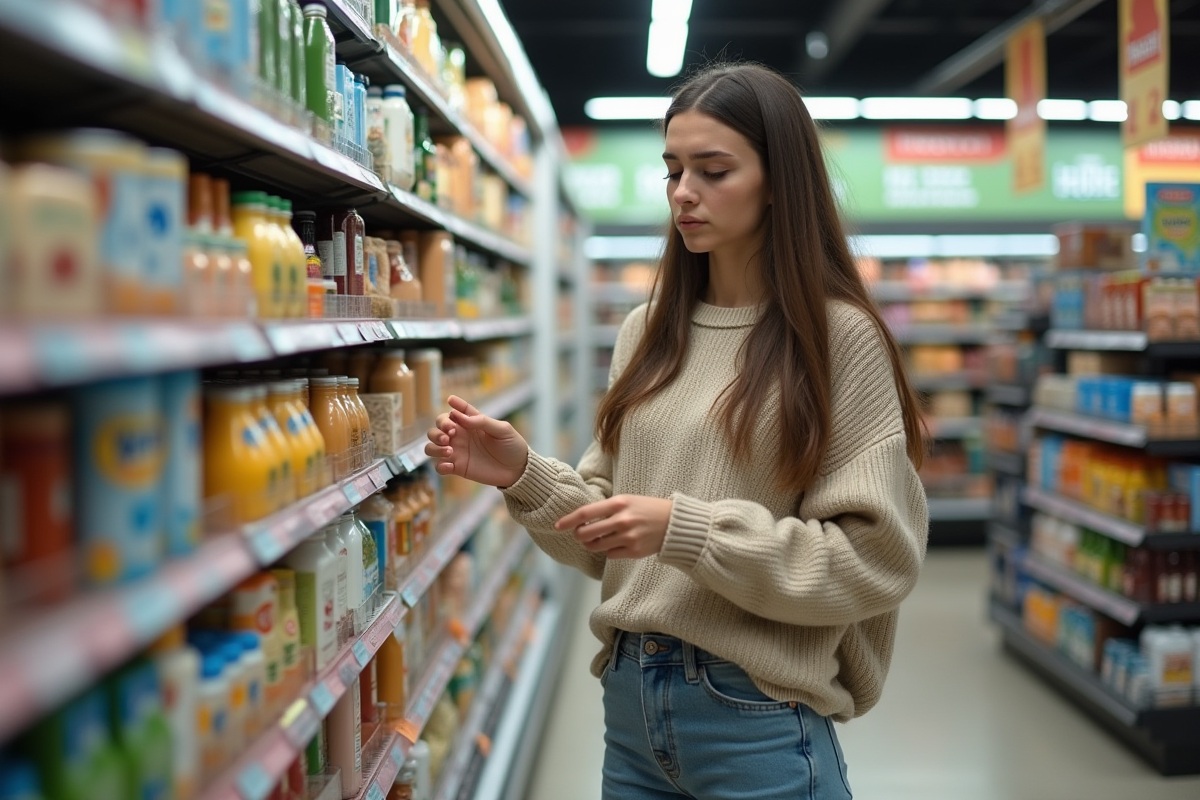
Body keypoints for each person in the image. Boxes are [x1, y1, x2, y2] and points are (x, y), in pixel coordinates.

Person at [425, 62, 929, 800]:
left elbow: (872, 559)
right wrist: (523, 473)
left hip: (755, 712)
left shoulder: (837, 339)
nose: (683, 193)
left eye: (713, 170)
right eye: (672, 170)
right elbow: (607, 546)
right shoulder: (647, 333)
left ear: (780, 181)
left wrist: (685, 531)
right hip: (630, 710)